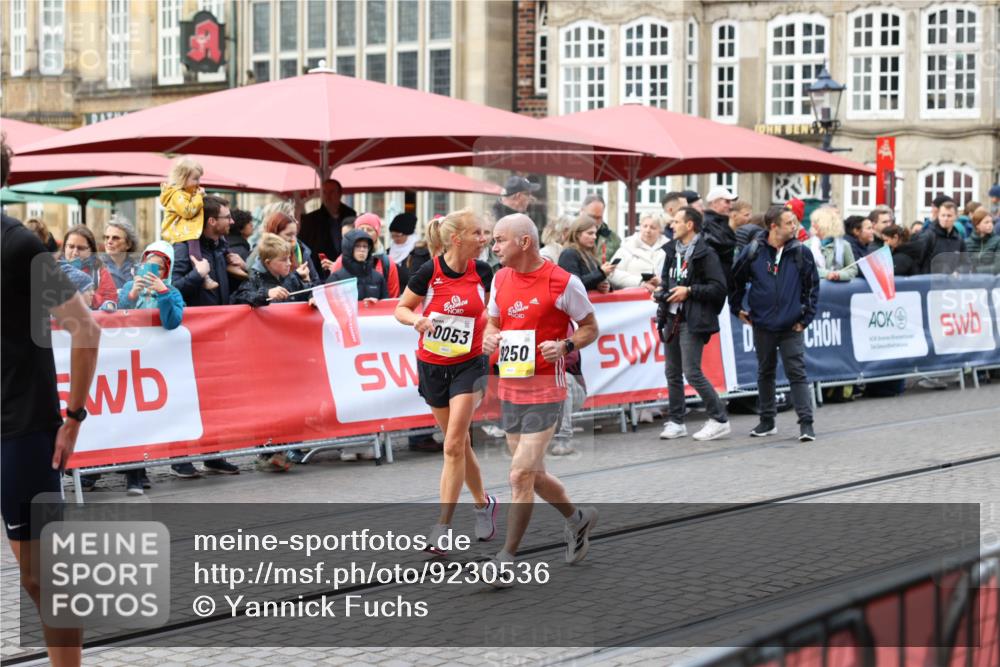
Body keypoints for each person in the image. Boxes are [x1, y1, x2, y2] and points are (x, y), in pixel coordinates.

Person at [3, 134, 101, 667]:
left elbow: (85, 330)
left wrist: (74, 419)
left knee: (43, 577)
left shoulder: (20, 245)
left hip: (22, 428)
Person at [481, 213, 600, 579]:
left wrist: (564, 344)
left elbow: (591, 328)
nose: (494, 246)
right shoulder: (500, 278)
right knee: (533, 475)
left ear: (524, 242)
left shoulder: (563, 282)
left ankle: (506, 558)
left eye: (500, 240)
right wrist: (489, 336)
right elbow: (494, 322)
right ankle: (578, 519)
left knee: (519, 476)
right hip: (511, 386)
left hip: (548, 389)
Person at [393, 208, 498, 550]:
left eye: (486, 233)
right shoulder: (429, 270)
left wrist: (494, 333)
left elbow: (497, 310)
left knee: (453, 445)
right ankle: (483, 503)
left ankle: (442, 527)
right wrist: (416, 321)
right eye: (478, 234)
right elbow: (401, 308)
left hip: (471, 365)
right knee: (460, 447)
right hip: (433, 365)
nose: (484, 240)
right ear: (457, 238)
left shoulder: (484, 271)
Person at [731, 204, 820, 442]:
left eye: (795, 221)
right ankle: (767, 421)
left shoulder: (802, 252)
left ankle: (806, 424)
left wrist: (805, 319)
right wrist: (736, 307)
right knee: (765, 372)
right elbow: (736, 281)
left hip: (792, 326)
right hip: (763, 324)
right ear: (774, 226)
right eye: (790, 222)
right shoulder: (753, 251)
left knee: (797, 373)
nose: (795, 226)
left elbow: (812, 288)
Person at [170, 195, 240, 477]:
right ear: (212, 221)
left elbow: (225, 287)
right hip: (192, 335)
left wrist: (239, 267)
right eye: (227, 217)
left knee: (216, 397)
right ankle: (180, 457)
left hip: (219, 333)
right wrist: (198, 275)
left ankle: (213, 453)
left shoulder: (220, 247)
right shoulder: (184, 247)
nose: (231, 221)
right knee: (188, 396)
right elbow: (173, 288)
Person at [656, 207, 730, 441]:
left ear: (690, 225)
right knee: (672, 372)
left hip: (692, 318)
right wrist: (660, 290)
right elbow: (668, 279)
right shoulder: (671, 251)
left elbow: (718, 288)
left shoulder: (705, 253)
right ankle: (677, 421)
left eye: (676, 221)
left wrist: (689, 291)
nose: (671, 225)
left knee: (692, 372)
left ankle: (719, 419)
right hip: (671, 316)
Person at [116, 241, 185, 494]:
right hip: (128, 363)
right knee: (129, 419)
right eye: (148, 266)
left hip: (158, 367)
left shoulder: (173, 293)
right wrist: (132, 295)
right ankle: (133, 475)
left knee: (147, 421)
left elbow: (173, 322)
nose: (152, 272)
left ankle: (141, 469)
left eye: (159, 267)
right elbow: (115, 315)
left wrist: (163, 293)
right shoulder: (128, 287)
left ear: (167, 271)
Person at [160, 157, 217, 285]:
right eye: (195, 179)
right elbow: (188, 211)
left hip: (186, 230)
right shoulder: (176, 194)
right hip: (179, 233)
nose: (198, 182)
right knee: (194, 251)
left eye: (199, 178)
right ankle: (204, 276)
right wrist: (198, 196)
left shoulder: (188, 193)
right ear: (182, 178)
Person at [322, 212, 401, 297]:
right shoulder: (341, 261)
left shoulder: (387, 263)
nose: (365, 233)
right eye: (361, 229)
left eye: (369, 230)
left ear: (377, 233)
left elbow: (392, 298)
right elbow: (331, 296)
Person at [232, 233, 313, 307]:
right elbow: (240, 298)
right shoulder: (254, 279)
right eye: (283, 260)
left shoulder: (292, 278)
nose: (289, 263)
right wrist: (267, 293)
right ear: (268, 262)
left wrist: (312, 296)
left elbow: (309, 292)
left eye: (289, 258)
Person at [298, 178, 358, 275]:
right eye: (324, 192)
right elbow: (303, 248)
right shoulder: (311, 220)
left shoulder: (351, 215)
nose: (327, 196)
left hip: (347, 271)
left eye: (331, 192)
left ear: (339, 194)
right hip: (320, 273)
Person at [247, 211, 319, 285]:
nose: (294, 239)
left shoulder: (301, 250)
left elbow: (316, 282)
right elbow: (258, 286)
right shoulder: (262, 253)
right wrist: (299, 277)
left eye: (295, 234)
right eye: (288, 235)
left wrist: (308, 281)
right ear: (274, 234)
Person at [58, 225, 118, 310]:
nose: (75, 252)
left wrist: (91, 298)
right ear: (64, 247)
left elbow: (111, 299)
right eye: (71, 246)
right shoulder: (54, 269)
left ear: (91, 250)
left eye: (81, 248)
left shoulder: (99, 272)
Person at [608, 212, 666, 293]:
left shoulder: (669, 248)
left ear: (660, 230)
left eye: (653, 227)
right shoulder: (627, 247)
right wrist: (639, 282)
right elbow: (612, 273)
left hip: (661, 298)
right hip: (632, 298)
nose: (648, 230)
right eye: (645, 226)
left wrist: (661, 282)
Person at [326, 229, 389, 301]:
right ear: (348, 248)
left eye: (365, 246)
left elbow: (385, 306)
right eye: (357, 246)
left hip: (373, 312)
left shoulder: (378, 278)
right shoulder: (336, 278)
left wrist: (376, 304)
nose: (362, 250)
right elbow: (330, 306)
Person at [558, 215, 615, 292]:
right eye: (590, 233)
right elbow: (574, 285)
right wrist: (601, 272)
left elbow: (590, 281)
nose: (594, 237)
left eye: (595, 233)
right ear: (577, 234)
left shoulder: (589, 253)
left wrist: (604, 285)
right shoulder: (569, 254)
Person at [701, 186, 739, 286]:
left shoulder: (719, 222)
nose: (730, 206)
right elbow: (724, 246)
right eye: (727, 202)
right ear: (714, 203)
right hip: (714, 281)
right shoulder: (708, 223)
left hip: (720, 279)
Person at [808, 207, 857, 282]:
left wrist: (839, 275)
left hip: (836, 290)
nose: (812, 224)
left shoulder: (844, 245)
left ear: (826, 224)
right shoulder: (806, 245)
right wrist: (827, 274)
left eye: (816, 221)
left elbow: (853, 269)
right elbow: (806, 268)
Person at [917, 200, 967, 274]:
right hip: (930, 281)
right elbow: (918, 261)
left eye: (949, 216)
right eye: (943, 215)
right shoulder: (928, 236)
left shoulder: (958, 239)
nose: (945, 219)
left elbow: (966, 263)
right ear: (938, 216)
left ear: (956, 217)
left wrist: (959, 271)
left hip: (952, 282)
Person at [99, 217, 140, 289]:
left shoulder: (138, 268)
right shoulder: (96, 266)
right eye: (107, 237)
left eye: (115, 238)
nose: (109, 241)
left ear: (128, 244)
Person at [581, 193, 621, 260]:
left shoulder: (614, 239)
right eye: (591, 216)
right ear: (581, 211)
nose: (595, 222)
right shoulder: (568, 234)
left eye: (599, 217)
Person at [965, 207, 1000, 275]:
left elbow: (997, 267)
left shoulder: (997, 241)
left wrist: (975, 271)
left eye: (991, 222)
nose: (990, 225)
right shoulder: (967, 242)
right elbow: (963, 265)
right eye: (986, 222)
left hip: (991, 282)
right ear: (977, 225)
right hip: (970, 281)